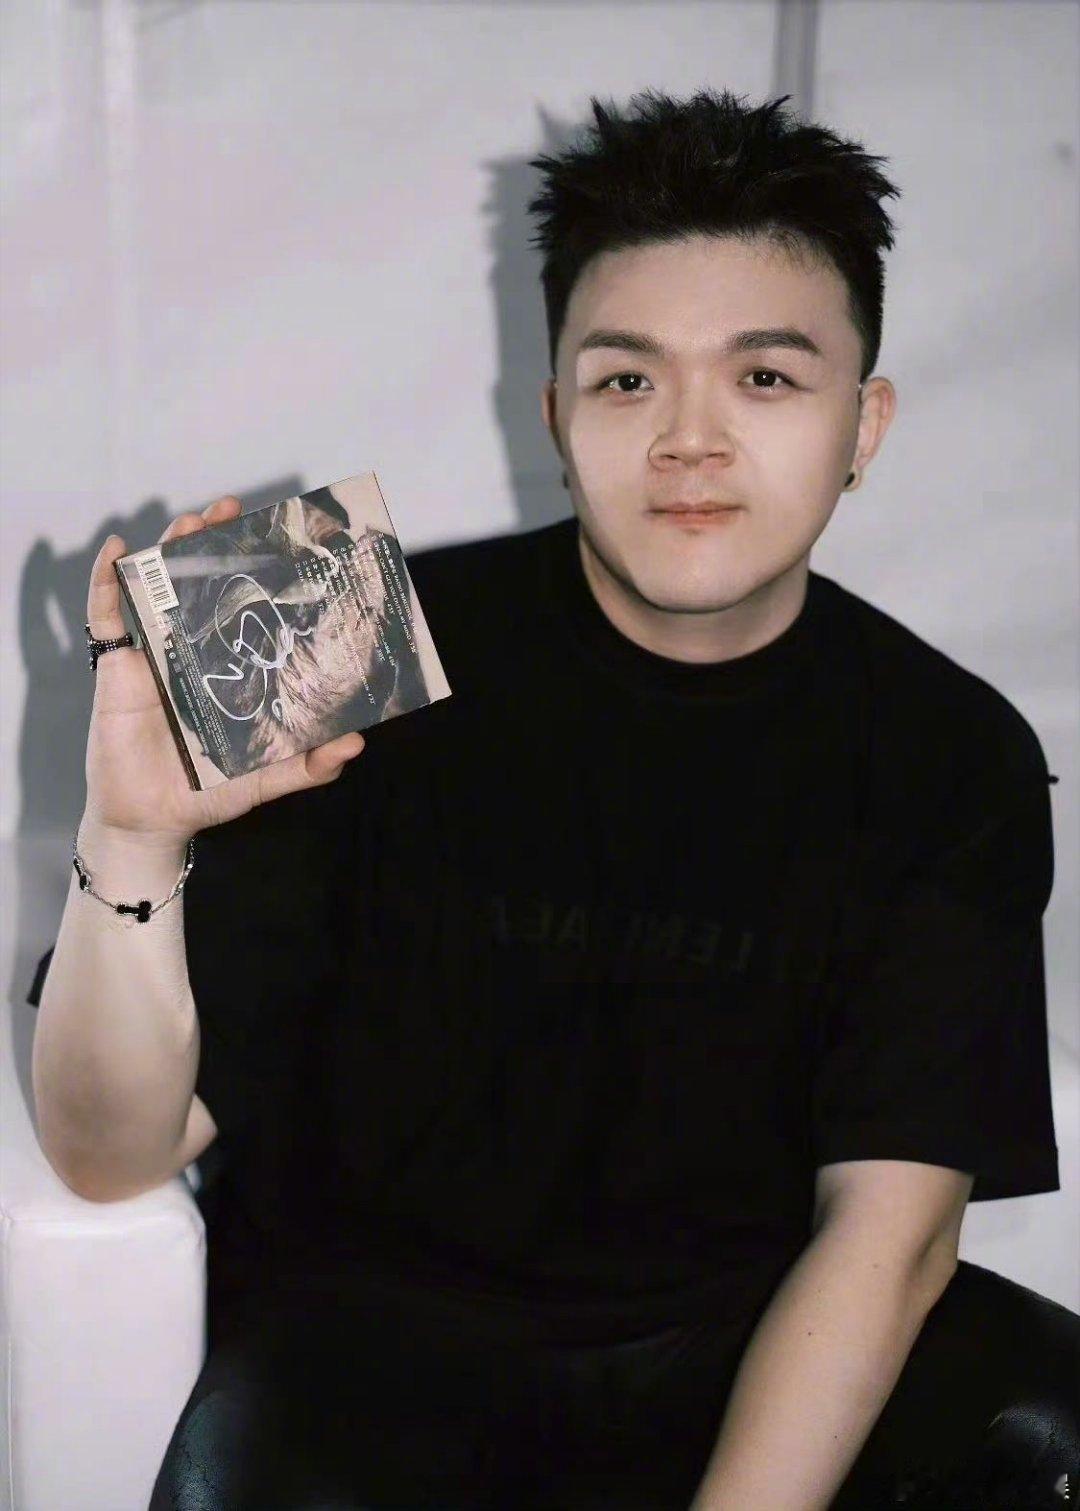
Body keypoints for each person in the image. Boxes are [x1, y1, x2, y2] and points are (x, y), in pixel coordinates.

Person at [29, 86, 1077, 1510]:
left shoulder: (952, 749)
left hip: (756, 1349)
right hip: (367, 1366)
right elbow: (108, 1159)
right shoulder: (330, 628)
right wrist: (133, 832)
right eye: (627, 381)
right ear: (556, 414)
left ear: (864, 422)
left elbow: (887, 1242)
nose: (690, 439)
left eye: (767, 379)